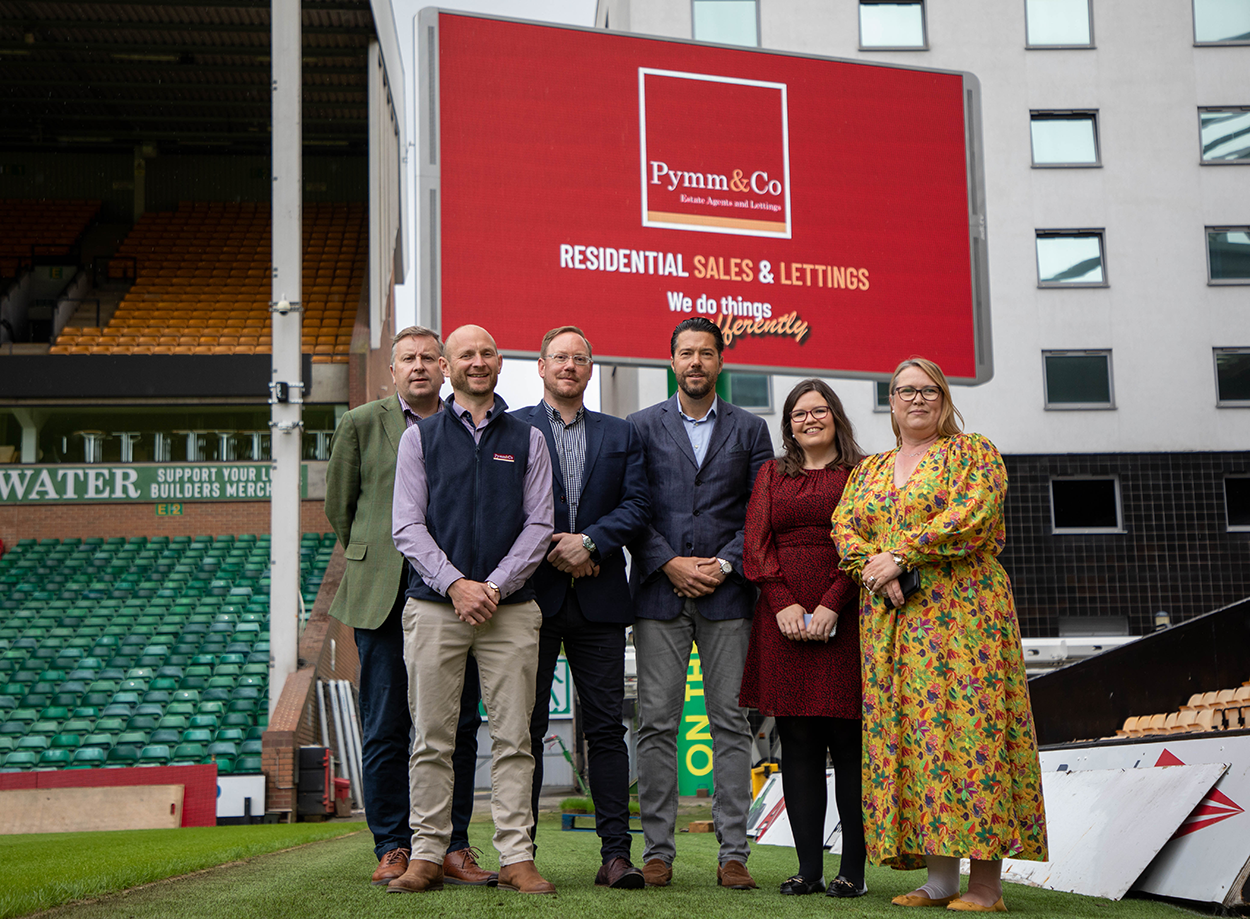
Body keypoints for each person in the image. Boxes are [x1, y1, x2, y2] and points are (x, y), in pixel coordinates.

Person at [832, 357, 1048, 912]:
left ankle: (986, 886)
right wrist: (877, 572)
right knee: (917, 739)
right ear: (892, 402)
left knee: (970, 735)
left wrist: (903, 555)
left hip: (962, 616)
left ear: (945, 398)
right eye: (906, 391)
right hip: (895, 626)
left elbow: (972, 516)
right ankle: (940, 879)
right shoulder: (869, 469)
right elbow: (845, 529)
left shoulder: (971, 452)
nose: (917, 400)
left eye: (929, 390)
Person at [388, 324, 556, 895]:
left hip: (511, 610)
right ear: (445, 364)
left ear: (500, 362)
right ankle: (428, 853)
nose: (477, 361)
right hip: (435, 607)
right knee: (430, 737)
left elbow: (541, 526)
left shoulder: (529, 438)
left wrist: (495, 588)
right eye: (466, 354)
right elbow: (407, 527)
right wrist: (458, 584)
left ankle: (516, 856)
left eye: (486, 353)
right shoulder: (421, 439)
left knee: (514, 739)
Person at [324, 326, 494, 887]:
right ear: (391, 372)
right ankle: (394, 845)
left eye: (428, 358)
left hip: (453, 595)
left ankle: (454, 845)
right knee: (386, 726)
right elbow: (340, 509)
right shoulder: (360, 424)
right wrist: (379, 558)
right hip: (383, 596)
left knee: (458, 724)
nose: (419, 366)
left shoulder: (466, 425)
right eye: (408, 359)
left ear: (445, 368)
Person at [626, 316, 773, 890]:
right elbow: (634, 507)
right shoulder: (640, 427)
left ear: (719, 362)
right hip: (659, 594)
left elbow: (759, 511)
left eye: (705, 354)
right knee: (656, 724)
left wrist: (726, 563)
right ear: (671, 362)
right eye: (685, 354)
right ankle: (657, 852)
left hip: (728, 593)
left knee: (731, 724)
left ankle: (732, 853)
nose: (695, 363)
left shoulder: (751, 429)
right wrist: (668, 562)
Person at [515, 325, 652, 890]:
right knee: (523, 729)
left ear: (590, 371)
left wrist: (590, 543)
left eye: (579, 358)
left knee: (605, 731)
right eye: (559, 357)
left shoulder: (620, 433)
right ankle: (518, 853)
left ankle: (616, 856)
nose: (569, 366)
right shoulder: (512, 427)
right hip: (530, 600)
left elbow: (639, 504)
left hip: (600, 603)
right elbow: (503, 507)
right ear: (541, 367)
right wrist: (559, 550)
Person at [739, 379, 868, 899]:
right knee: (798, 745)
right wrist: (783, 602)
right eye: (798, 413)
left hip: (849, 616)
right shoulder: (771, 474)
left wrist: (834, 602)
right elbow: (755, 543)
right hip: (783, 619)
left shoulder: (862, 473)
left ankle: (852, 872)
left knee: (851, 746)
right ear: (788, 423)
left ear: (835, 416)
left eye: (818, 411)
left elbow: (871, 539)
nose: (808, 420)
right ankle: (808, 869)